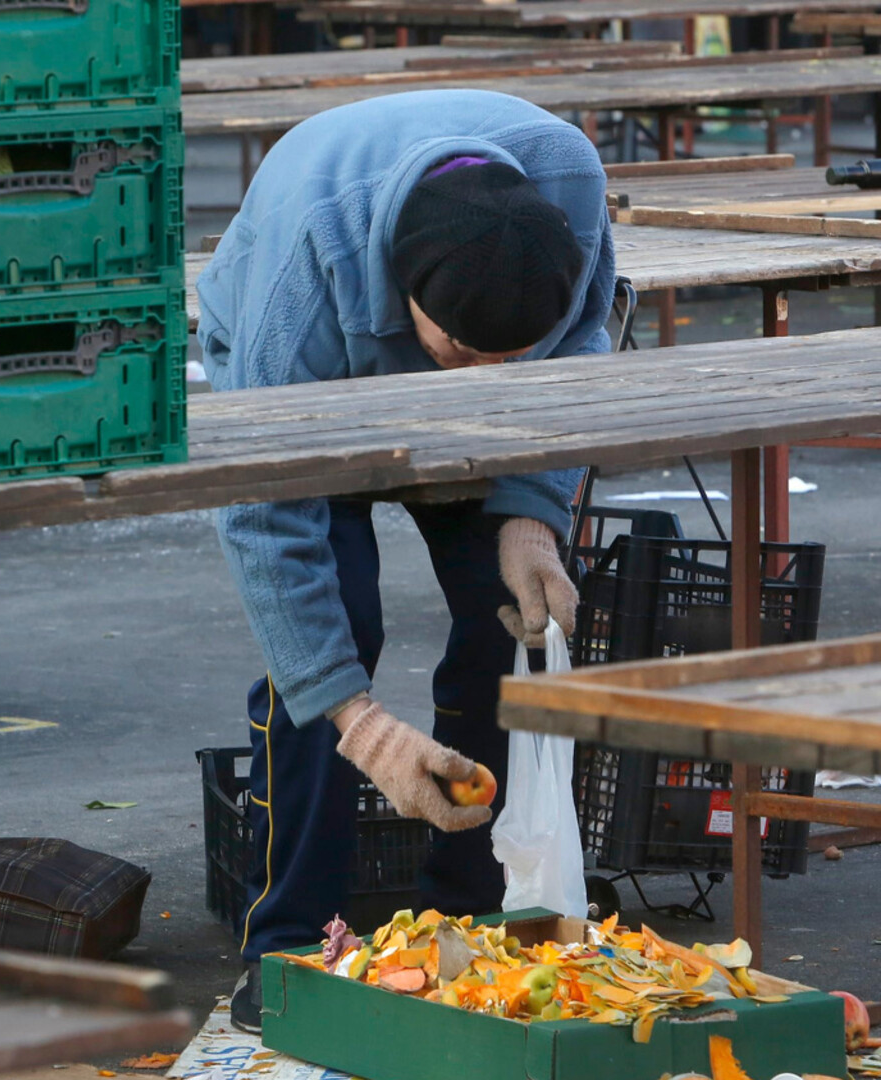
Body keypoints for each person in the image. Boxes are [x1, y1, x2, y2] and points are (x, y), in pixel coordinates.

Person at [194, 88, 615, 1033]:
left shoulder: (569, 183)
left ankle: (473, 915)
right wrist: (362, 724)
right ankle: (287, 944)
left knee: (511, 620)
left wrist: (531, 511)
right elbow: (264, 517)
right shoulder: (304, 278)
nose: (482, 375)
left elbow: (582, 349)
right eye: (461, 349)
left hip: (470, 415)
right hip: (309, 397)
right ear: (404, 292)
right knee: (331, 641)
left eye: (509, 356)